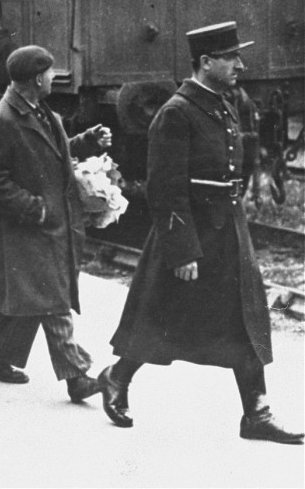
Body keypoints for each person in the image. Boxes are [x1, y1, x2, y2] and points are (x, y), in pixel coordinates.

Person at [98, 22, 302, 445]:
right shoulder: (176, 112)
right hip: (192, 234)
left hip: (227, 228)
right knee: (161, 313)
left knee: (246, 315)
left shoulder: (218, 102)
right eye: (231, 59)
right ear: (206, 63)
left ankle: (257, 414)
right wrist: (182, 250)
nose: (240, 65)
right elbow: (164, 189)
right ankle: (117, 378)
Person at [0, 45, 107, 404]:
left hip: (49, 227)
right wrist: (36, 210)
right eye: (49, 73)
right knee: (52, 297)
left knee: (34, 297)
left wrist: (88, 141)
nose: (53, 78)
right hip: (29, 228)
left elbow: (54, 154)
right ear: (36, 78)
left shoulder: (41, 111)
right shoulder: (1, 121)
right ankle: (77, 376)